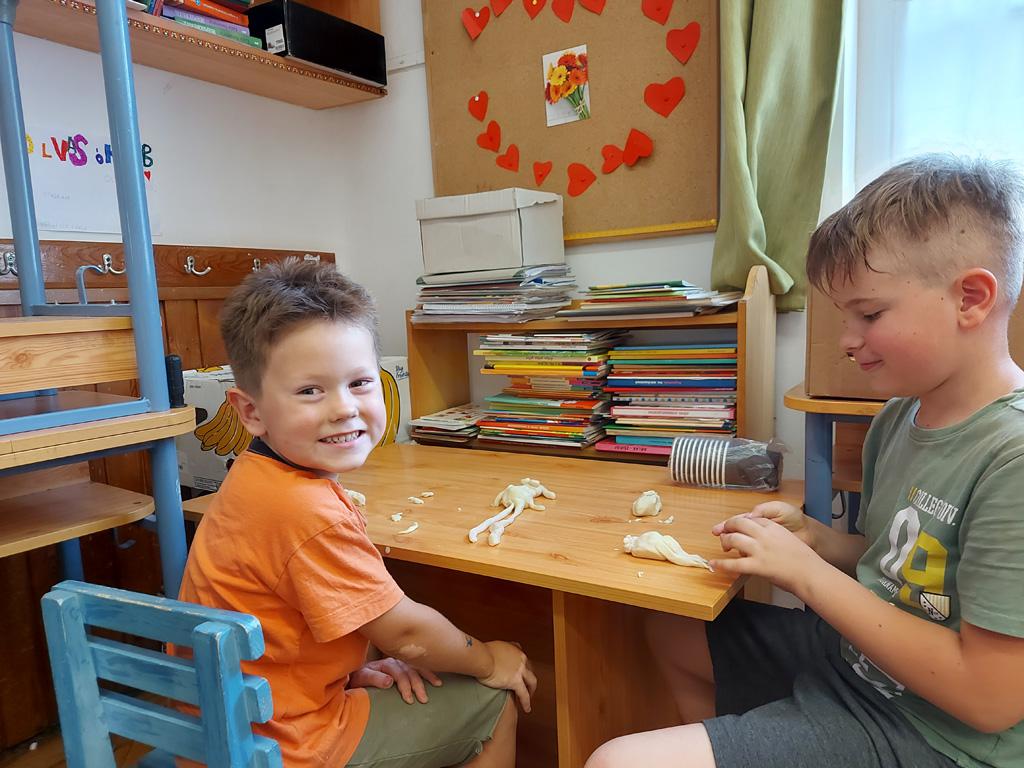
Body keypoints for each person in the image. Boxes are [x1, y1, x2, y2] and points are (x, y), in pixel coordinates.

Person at [586, 154, 1024, 768]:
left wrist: (805, 574)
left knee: (616, 762)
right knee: (672, 628)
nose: (847, 339)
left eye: (869, 314)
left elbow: (990, 698)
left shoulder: (1011, 459)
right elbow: (898, 562)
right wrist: (818, 541)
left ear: (971, 299)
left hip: (938, 733)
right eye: (845, 317)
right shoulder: (898, 418)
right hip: (860, 664)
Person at [179, 260, 536, 768]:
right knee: (491, 702)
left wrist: (344, 674)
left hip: (222, 733)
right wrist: (489, 658)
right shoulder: (306, 509)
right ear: (250, 411)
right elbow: (407, 636)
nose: (344, 408)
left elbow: (288, 620)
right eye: (310, 390)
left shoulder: (253, 477)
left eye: (360, 383)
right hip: (285, 748)